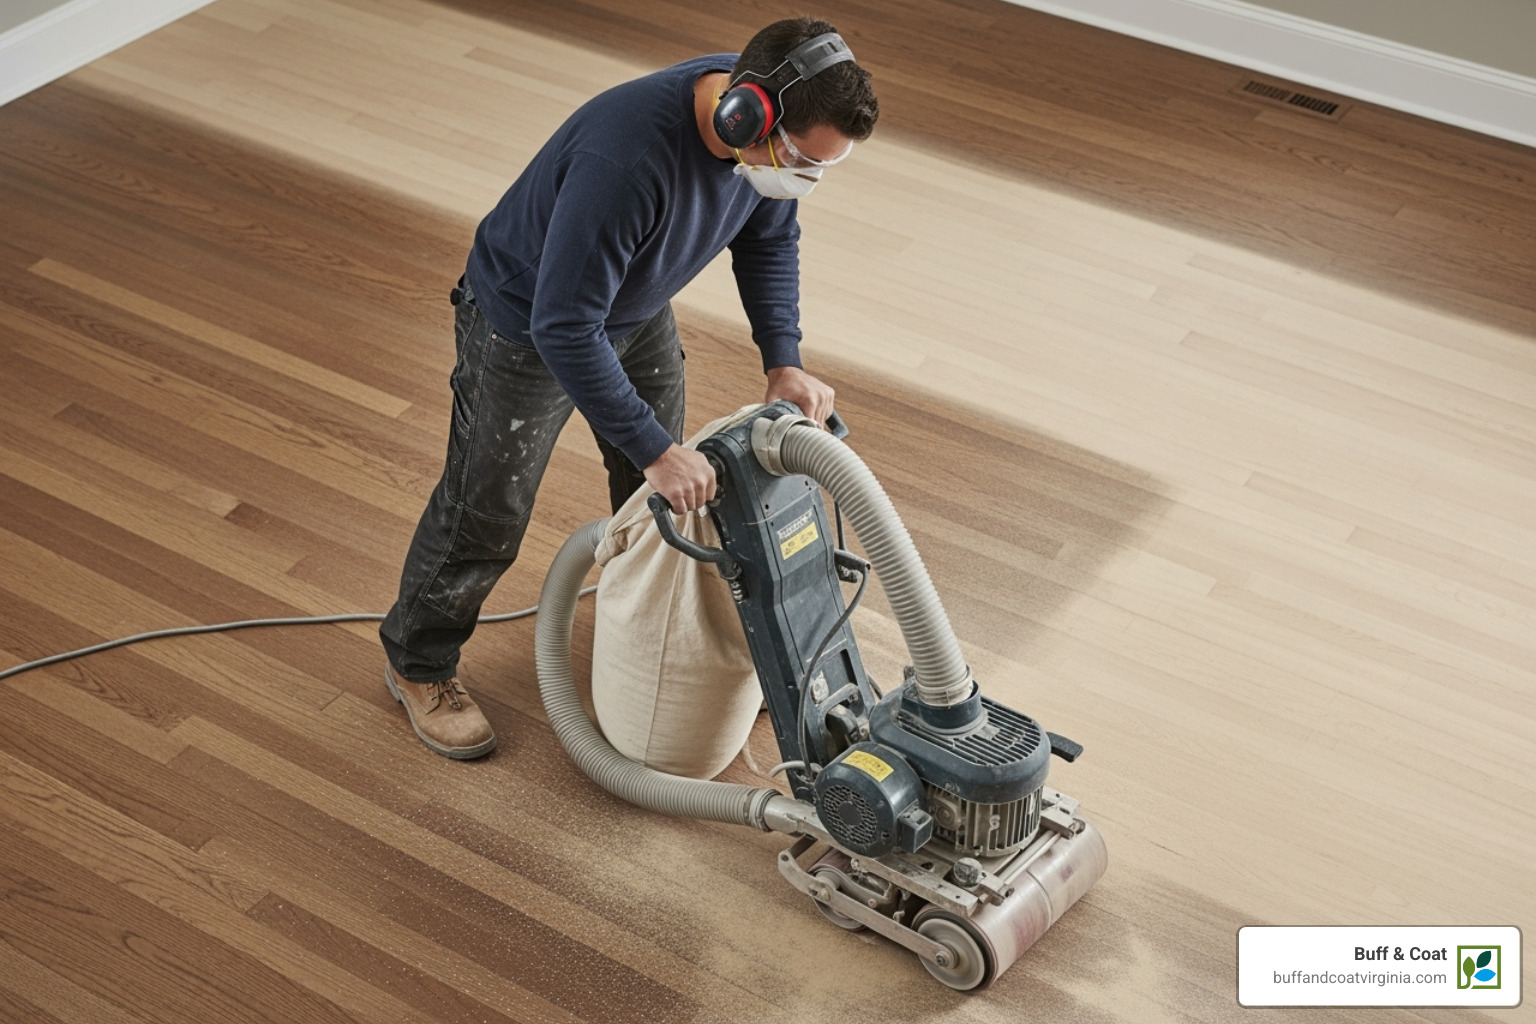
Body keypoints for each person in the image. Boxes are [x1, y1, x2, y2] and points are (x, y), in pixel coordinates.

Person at [379, 17, 879, 758]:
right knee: (486, 509)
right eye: (803, 160)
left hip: (630, 308)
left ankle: (646, 634)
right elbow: (563, 324)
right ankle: (417, 662)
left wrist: (783, 358)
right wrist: (653, 446)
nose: (802, 177)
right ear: (749, 113)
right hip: (525, 323)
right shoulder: (628, 157)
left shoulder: (759, 130)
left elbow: (770, 237)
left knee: (664, 499)